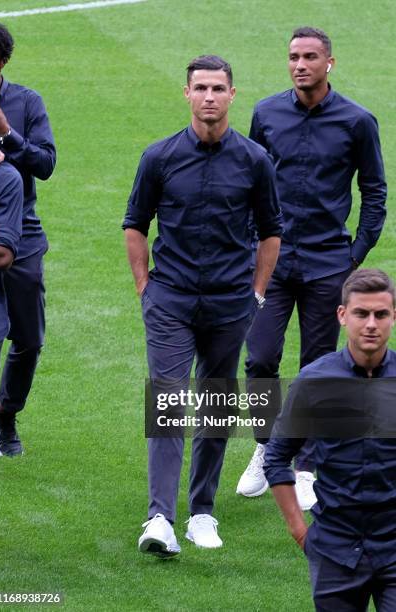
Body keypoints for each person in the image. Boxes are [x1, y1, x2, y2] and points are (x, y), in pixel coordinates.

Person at [123, 55, 282, 557]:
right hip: (169, 300)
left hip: (230, 303)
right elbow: (134, 223)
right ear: (187, 94)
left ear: (232, 95)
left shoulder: (255, 160)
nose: (209, 96)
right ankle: (159, 519)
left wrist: (256, 293)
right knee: (168, 403)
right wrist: (144, 286)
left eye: (218, 88)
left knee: (216, 404)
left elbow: (272, 232)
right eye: (201, 88)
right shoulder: (160, 156)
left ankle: (202, 513)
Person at [236, 26, 387, 509]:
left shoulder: (358, 122)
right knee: (259, 357)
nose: (300, 65)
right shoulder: (266, 113)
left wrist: (354, 254)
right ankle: (265, 446)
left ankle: (303, 464)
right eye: (293, 57)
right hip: (273, 263)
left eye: (309, 57)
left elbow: (375, 191)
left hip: (328, 265)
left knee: (315, 368)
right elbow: (251, 182)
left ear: (329, 63)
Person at [264, 268, 396, 611]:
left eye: (381, 314)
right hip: (334, 551)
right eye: (361, 313)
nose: (371, 324)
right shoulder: (314, 381)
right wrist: (299, 530)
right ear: (342, 315)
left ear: (393, 316)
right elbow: (277, 457)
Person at [0, 21, 56, 456]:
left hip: (21, 238)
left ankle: (5, 413)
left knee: (28, 339)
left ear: (4, 62)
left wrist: (6, 134)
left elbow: (46, 163)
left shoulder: (26, 102)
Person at [0, 157, 23, 474]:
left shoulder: (4, 176)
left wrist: (9, 137)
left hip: (213, 298)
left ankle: (202, 505)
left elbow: (3, 250)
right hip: (169, 300)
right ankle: (160, 509)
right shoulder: (162, 158)